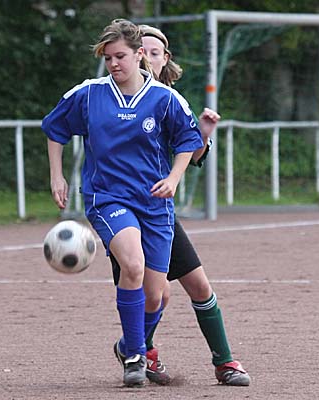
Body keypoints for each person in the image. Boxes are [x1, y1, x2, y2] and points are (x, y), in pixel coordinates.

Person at [42, 19, 204, 387]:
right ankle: (135, 359)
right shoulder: (89, 94)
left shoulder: (165, 98)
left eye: (120, 56)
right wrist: (56, 176)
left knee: (156, 297)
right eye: (108, 58)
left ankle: (129, 345)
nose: (113, 63)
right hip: (108, 198)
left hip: (154, 204)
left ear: (138, 55)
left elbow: (189, 140)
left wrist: (174, 178)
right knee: (132, 264)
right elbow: (55, 129)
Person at [111, 24, 251, 387]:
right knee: (156, 294)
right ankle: (139, 351)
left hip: (160, 211)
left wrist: (202, 134)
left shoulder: (169, 99)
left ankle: (224, 362)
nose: (147, 56)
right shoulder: (113, 98)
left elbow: (194, 155)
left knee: (199, 286)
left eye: (154, 52)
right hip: (125, 209)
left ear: (164, 58)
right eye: (142, 50)